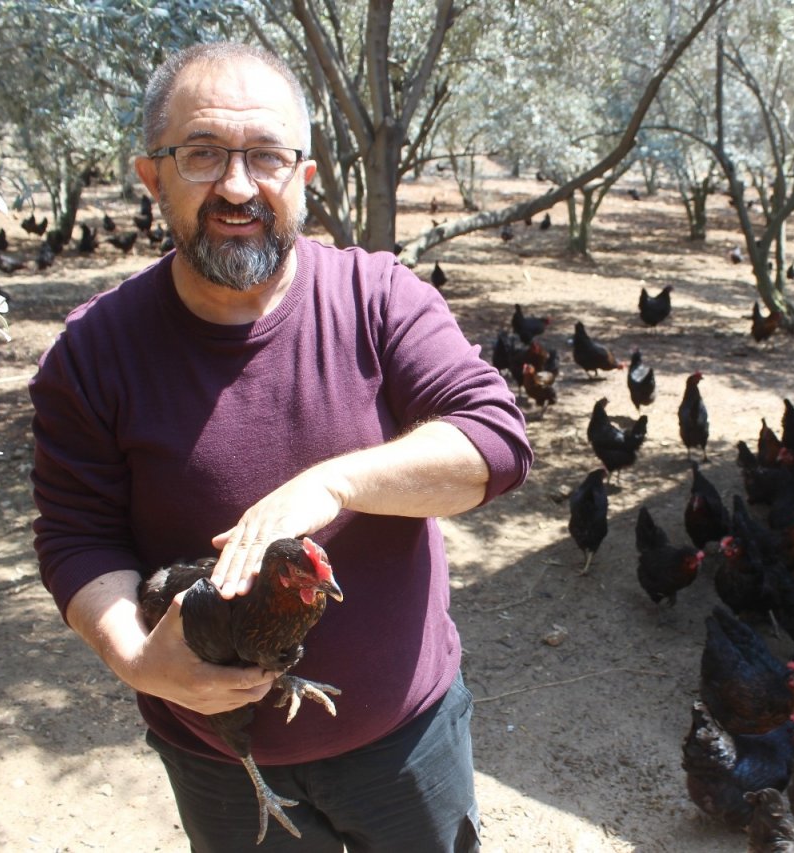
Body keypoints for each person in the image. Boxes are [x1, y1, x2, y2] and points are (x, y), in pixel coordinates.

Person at [29, 41, 532, 852]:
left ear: (304, 175)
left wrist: (334, 485)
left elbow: (495, 441)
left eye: (266, 155)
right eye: (202, 155)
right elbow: (76, 535)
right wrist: (134, 655)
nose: (236, 185)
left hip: (407, 743)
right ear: (151, 176)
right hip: (217, 761)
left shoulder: (380, 296)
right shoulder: (93, 352)